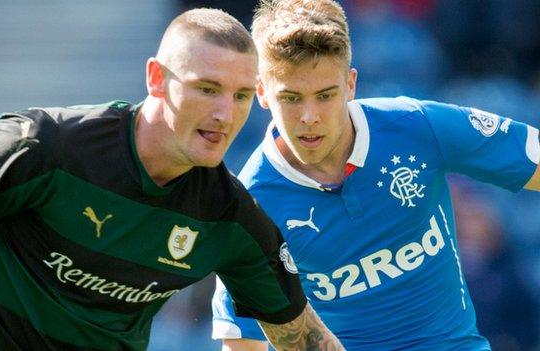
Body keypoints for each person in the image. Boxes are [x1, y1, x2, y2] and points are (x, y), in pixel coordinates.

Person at [0, 8, 344, 351]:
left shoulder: (230, 219)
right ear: (156, 78)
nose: (226, 115)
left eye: (242, 95)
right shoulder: (41, 149)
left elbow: (304, 338)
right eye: (207, 89)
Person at [211, 0, 540, 350]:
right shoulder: (252, 204)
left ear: (351, 84)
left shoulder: (415, 126)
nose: (310, 116)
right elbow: (241, 341)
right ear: (261, 91)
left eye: (325, 95)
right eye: (291, 98)